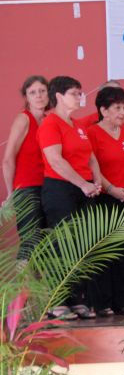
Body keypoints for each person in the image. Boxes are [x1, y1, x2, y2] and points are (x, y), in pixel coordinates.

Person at [38, 76, 103, 320]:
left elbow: (91, 157)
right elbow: (56, 160)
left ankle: (77, 299)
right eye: (74, 93)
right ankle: (56, 302)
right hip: (60, 189)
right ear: (58, 96)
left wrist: (96, 182)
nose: (79, 97)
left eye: (80, 92)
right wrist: (82, 184)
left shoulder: (77, 126)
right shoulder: (50, 124)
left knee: (81, 245)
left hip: (83, 190)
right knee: (61, 245)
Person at [88, 86, 124, 316]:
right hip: (104, 199)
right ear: (103, 110)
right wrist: (112, 190)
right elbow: (93, 168)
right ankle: (103, 303)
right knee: (104, 251)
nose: (122, 113)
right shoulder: (92, 133)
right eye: (117, 108)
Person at [2, 75, 49, 261]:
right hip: (27, 189)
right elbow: (8, 159)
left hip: (48, 188)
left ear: (49, 94)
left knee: (45, 246)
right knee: (30, 243)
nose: (38, 96)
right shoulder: (23, 119)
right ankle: (24, 281)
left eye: (42, 91)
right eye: (33, 92)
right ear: (26, 97)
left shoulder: (48, 120)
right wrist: (11, 193)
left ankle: (38, 281)